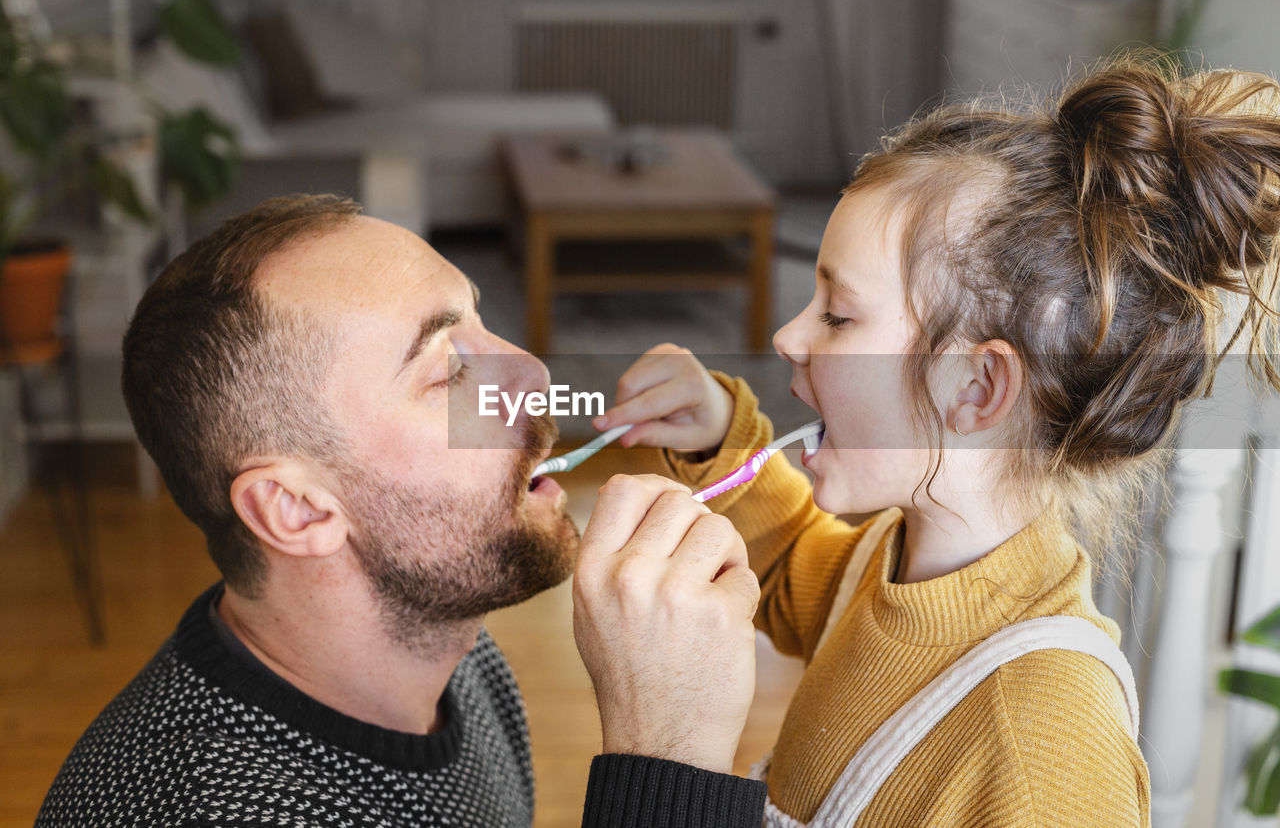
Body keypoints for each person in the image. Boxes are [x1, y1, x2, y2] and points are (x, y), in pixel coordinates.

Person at [590, 59, 1280, 826]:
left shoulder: (1044, 751)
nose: (788, 336)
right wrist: (723, 436)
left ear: (976, 389)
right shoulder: (887, 565)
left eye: (837, 315)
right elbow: (786, 567)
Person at [35, 195, 765, 827]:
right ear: (295, 508)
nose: (532, 376)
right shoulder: (213, 809)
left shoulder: (452, 645)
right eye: (448, 368)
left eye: (480, 322)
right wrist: (669, 755)